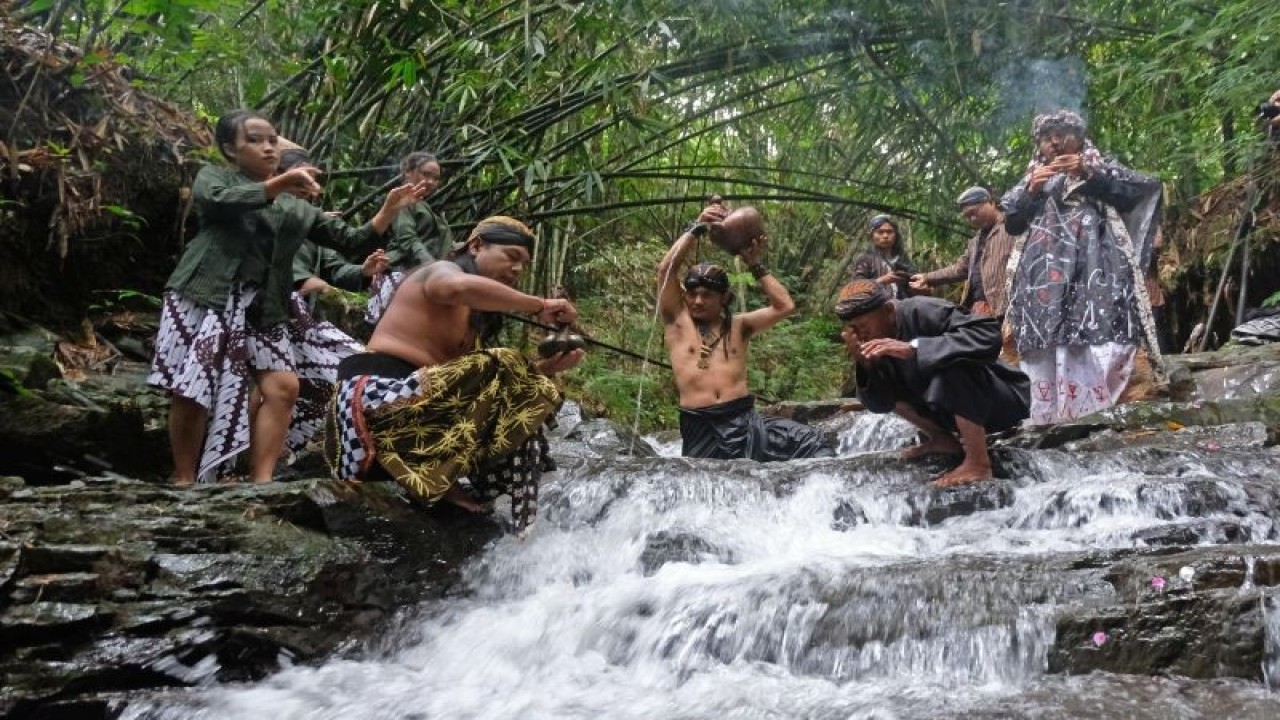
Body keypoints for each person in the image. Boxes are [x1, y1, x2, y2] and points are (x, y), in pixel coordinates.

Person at [147, 109, 426, 486]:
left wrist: (388, 210)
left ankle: (261, 481)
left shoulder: (298, 207)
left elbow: (350, 239)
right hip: (207, 293)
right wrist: (278, 185)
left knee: (283, 387)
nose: (267, 148)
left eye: (272, 140)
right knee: (193, 389)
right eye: (255, 140)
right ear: (230, 149)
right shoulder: (216, 177)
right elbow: (218, 201)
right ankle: (184, 477)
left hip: (265, 305)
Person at [325, 216, 583, 534]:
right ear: (476, 246)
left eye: (524, 265)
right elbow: (456, 288)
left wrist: (546, 370)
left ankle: (457, 487)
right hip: (371, 407)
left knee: (526, 384)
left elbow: (477, 389)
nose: (517, 270)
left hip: (416, 422)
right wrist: (538, 304)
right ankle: (439, 481)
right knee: (502, 362)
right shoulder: (441, 271)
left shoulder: (473, 318)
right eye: (512, 257)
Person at [1001, 109, 1164, 425]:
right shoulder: (1030, 180)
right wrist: (1032, 191)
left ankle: (1100, 409)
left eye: (1064, 135)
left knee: (1101, 330)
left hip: (1096, 270)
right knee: (1047, 338)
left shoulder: (1101, 166)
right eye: (1048, 138)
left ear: (1080, 138)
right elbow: (1012, 223)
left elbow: (1138, 194)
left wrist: (1090, 175)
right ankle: (1046, 414)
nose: (1057, 143)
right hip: (1042, 280)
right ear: (1039, 145)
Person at [657, 202, 834, 460]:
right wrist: (696, 227)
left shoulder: (740, 326)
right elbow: (666, 270)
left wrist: (755, 264)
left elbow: (785, 306)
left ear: (723, 298)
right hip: (700, 424)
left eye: (707, 295)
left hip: (745, 420)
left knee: (813, 442)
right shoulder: (677, 322)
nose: (697, 301)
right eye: (693, 294)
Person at [834, 279, 1030, 487]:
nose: (860, 334)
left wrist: (916, 348)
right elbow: (880, 404)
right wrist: (867, 366)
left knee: (951, 363)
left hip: (1001, 402)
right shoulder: (872, 343)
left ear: (889, 311)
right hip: (948, 414)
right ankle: (942, 440)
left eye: (863, 325)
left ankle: (978, 462)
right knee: (887, 382)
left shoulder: (923, 309)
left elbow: (989, 335)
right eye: (853, 328)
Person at [365, 151, 454, 324]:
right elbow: (407, 239)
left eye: (436, 179)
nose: (431, 182)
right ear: (408, 171)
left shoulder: (421, 204)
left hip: (417, 271)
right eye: (426, 174)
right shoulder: (402, 200)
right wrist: (431, 265)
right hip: (402, 270)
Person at [909, 186, 1015, 319]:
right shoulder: (976, 241)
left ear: (991, 202)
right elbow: (960, 269)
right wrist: (927, 277)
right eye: (967, 216)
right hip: (980, 309)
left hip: (1006, 308)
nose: (972, 219)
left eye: (974, 212)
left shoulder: (1012, 228)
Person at [850, 214, 922, 300]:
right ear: (871, 236)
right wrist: (882, 280)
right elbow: (856, 288)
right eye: (880, 232)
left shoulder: (902, 259)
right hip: (876, 307)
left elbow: (911, 285)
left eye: (889, 232)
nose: (885, 236)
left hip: (903, 306)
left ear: (895, 235)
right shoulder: (865, 259)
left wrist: (918, 287)